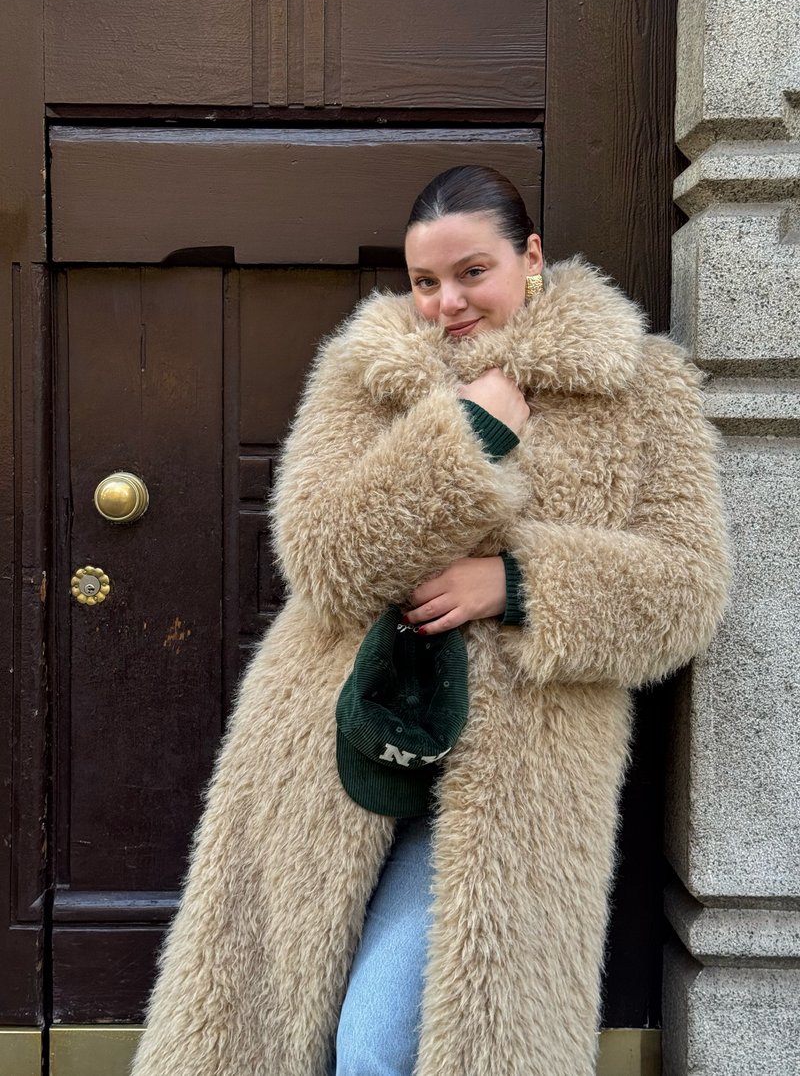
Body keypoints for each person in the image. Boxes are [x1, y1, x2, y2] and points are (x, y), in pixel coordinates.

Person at [129, 166, 731, 1076]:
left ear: (531, 258)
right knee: (264, 1030)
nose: (447, 302)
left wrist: (517, 583)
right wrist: (467, 436)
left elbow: (689, 587)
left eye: (471, 272)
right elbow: (321, 556)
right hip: (331, 752)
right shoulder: (369, 369)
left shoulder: (640, 385)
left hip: (515, 778)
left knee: (377, 1046)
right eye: (424, 281)